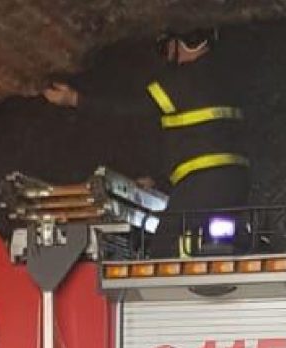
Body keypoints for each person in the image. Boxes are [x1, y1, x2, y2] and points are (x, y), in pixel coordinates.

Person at [43, 27, 251, 255]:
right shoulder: (226, 79)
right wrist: (158, 179)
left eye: (166, 48)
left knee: (163, 248)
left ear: (189, 42)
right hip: (237, 183)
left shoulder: (181, 81)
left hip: (202, 183)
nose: (166, 56)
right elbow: (200, 139)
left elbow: (131, 108)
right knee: (219, 247)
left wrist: (75, 99)